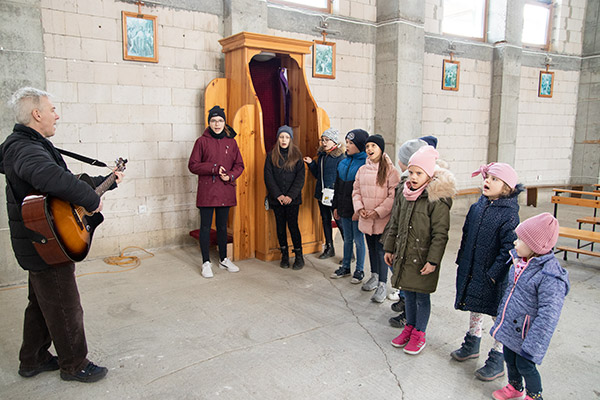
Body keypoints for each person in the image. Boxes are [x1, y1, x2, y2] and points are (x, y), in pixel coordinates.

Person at [0, 87, 124, 383]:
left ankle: (33, 358)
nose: (57, 115)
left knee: (42, 303)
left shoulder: (27, 145)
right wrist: (91, 200)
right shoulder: (26, 148)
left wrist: (108, 181)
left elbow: (66, 184)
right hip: (46, 242)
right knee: (65, 307)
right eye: (52, 109)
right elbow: (49, 176)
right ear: (36, 114)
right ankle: (74, 365)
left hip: (38, 240)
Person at [451, 162, 522, 381]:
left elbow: (509, 249)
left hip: (494, 276)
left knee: (497, 315)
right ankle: (473, 342)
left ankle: (498, 357)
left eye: (494, 179)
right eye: (487, 177)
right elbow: (466, 235)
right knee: (475, 305)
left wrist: (494, 274)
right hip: (474, 268)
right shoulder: (477, 207)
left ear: (507, 187)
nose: (487, 181)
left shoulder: (509, 215)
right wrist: (462, 260)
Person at [384, 145, 456, 355]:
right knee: (408, 294)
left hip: (422, 257)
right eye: (411, 172)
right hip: (404, 254)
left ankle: (419, 334)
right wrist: (389, 247)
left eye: (419, 173)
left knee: (421, 297)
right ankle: (409, 328)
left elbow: (440, 234)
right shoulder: (404, 193)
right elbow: (395, 222)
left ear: (430, 174)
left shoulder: (437, 199)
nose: (413, 177)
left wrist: (433, 261)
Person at [490, 213, 569, 400]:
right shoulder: (519, 263)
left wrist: (534, 344)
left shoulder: (550, 277)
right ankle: (515, 387)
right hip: (513, 326)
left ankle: (534, 395)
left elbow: (549, 315)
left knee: (525, 365)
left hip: (529, 334)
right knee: (510, 358)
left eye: (520, 240)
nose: (515, 243)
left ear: (535, 246)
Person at [188, 105, 244, 278]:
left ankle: (223, 259)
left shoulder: (231, 142)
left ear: (224, 122)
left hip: (225, 189)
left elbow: (239, 165)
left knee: (222, 227)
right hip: (207, 191)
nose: (217, 124)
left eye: (220, 120)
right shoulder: (201, 141)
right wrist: (213, 168)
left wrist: (231, 175)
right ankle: (206, 262)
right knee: (205, 227)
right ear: (209, 123)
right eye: (213, 120)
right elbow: (193, 165)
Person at [386, 138, 429, 327]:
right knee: (402, 276)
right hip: (401, 240)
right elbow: (397, 217)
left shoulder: (424, 190)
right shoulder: (405, 185)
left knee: (414, 286)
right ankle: (406, 306)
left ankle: (412, 320)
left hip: (417, 247)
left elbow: (438, 231)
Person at [353, 134, 400, 302]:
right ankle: (374, 276)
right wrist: (360, 208)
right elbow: (356, 191)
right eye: (367, 146)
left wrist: (378, 211)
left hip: (382, 219)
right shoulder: (362, 170)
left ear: (381, 149)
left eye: (373, 145)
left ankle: (382, 284)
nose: (369, 149)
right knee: (371, 248)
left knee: (381, 251)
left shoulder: (391, 171)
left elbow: (393, 196)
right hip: (366, 218)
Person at [264, 125, 305, 270]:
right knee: (280, 228)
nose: (284, 140)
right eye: (281, 137)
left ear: (291, 139)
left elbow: (300, 178)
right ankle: (285, 255)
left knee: (293, 227)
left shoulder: (297, 156)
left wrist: (290, 196)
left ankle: (299, 256)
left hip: (292, 200)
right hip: (277, 200)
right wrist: (279, 195)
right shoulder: (271, 156)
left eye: (287, 137)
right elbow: (268, 177)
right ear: (278, 138)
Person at [330, 129, 368, 281]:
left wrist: (358, 210)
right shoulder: (343, 163)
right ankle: (345, 267)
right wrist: (335, 207)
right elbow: (338, 187)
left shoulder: (365, 164)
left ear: (360, 145)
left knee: (358, 240)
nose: (347, 146)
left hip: (356, 211)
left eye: (351, 143)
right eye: (346, 142)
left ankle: (359, 270)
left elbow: (365, 192)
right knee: (347, 239)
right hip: (343, 208)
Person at [304, 128, 345, 259]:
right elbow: (318, 174)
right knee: (325, 220)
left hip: (334, 196)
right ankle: (329, 247)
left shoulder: (340, 158)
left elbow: (342, 179)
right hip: (322, 195)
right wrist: (311, 164)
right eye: (322, 140)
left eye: (327, 140)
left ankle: (349, 252)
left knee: (340, 222)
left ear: (334, 142)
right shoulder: (322, 156)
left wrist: (339, 195)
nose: (324, 142)